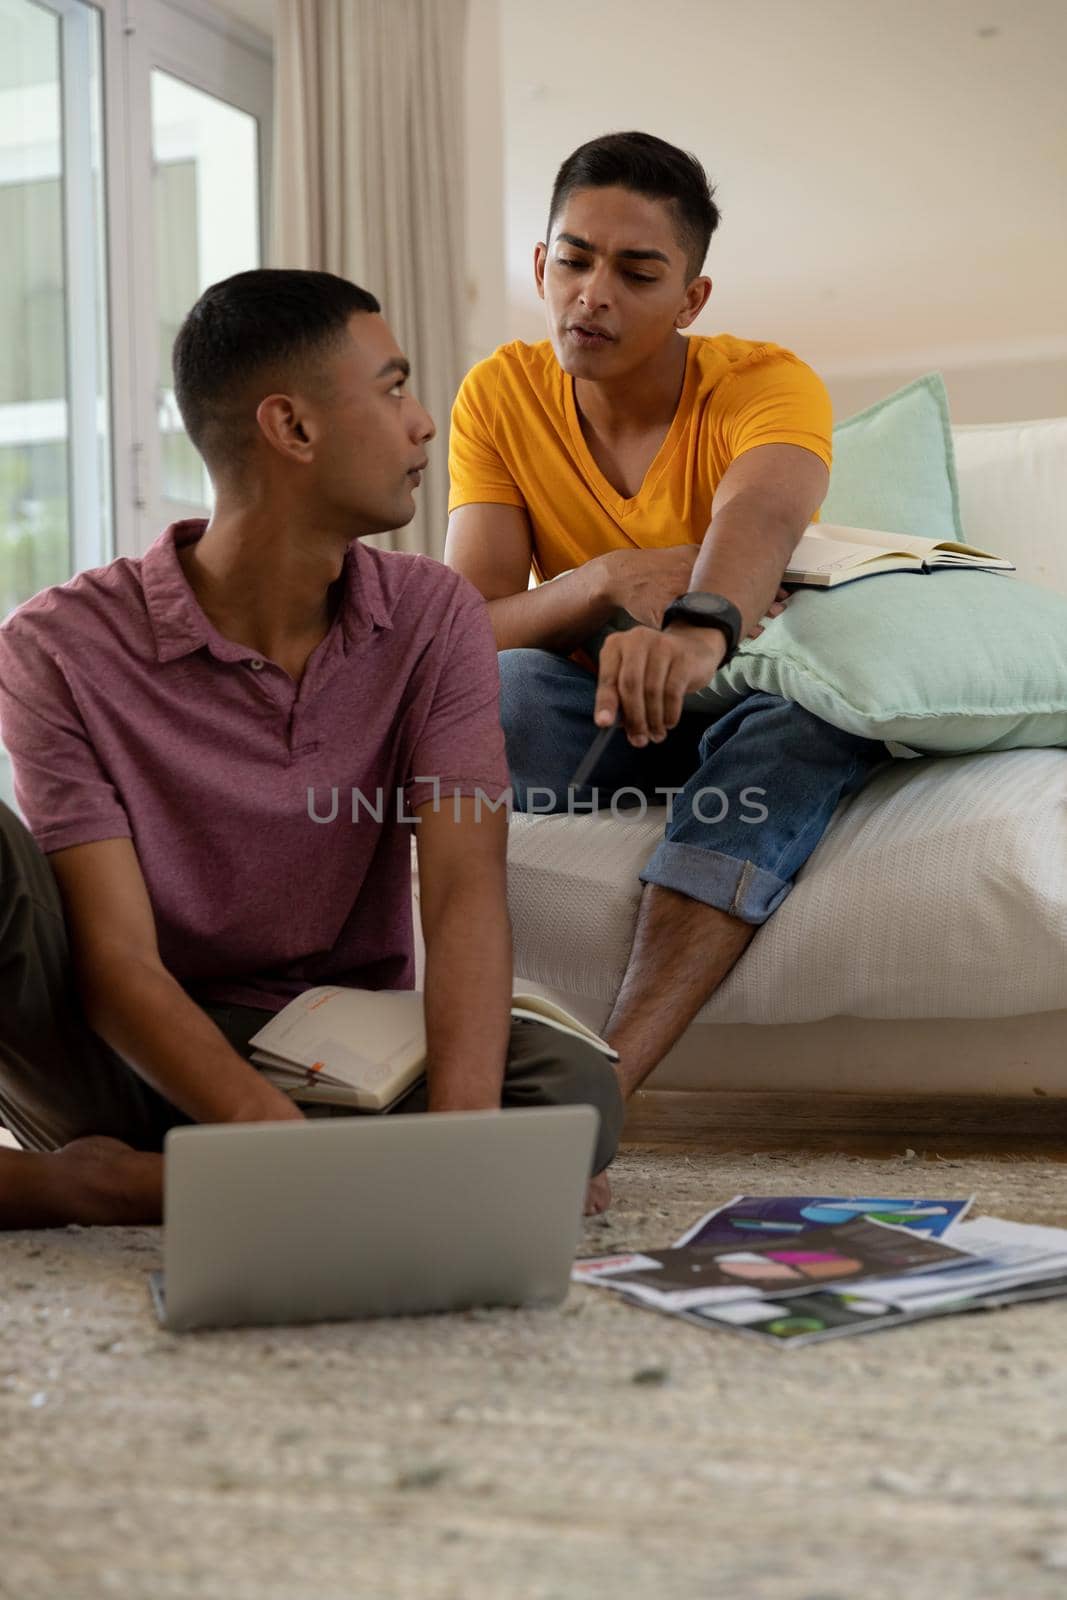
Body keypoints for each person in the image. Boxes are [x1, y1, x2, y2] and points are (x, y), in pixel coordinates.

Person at [0, 268, 622, 1228]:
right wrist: (291, 1160)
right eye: (393, 387)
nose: (423, 423)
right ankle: (103, 1175)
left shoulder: (432, 615)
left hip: (324, 1044)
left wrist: (467, 1147)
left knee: (569, 1091)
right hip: (110, 1044)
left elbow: (462, 893)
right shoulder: (56, 645)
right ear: (291, 428)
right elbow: (118, 966)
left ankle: (152, 1182)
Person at [445, 131, 888, 1102]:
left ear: (690, 298)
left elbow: (763, 509)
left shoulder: (763, 382)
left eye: (636, 272)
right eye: (572, 259)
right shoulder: (498, 394)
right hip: (595, 705)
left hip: (745, 689)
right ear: (540, 263)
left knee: (805, 722)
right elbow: (464, 629)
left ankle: (598, 1091)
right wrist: (600, 579)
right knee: (498, 689)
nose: (592, 294)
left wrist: (694, 633)